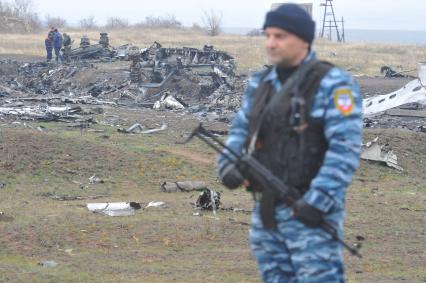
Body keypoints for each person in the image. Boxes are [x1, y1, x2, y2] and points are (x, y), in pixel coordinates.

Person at [217, 3, 362, 283]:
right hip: (267, 213)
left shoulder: (333, 84)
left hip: (310, 214)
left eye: (280, 36)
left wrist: (317, 204)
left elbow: (344, 152)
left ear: (303, 39)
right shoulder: (261, 84)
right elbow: (240, 131)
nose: (271, 43)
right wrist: (228, 166)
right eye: (268, 35)